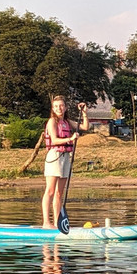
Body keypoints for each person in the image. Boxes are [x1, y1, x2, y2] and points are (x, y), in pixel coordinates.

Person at [41, 96, 88, 228]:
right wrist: (70, 138)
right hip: (54, 156)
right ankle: (46, 222)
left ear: (65, 107)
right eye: (56, 106)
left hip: (65, 156)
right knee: (50, 190)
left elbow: (85, 127)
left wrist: (84, 113)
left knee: (59, 193)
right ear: (53, 108)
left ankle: (57, 223)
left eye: (61, 106)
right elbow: (55, 140)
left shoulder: (66, 121)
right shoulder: (52, 121)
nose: (59, 108)